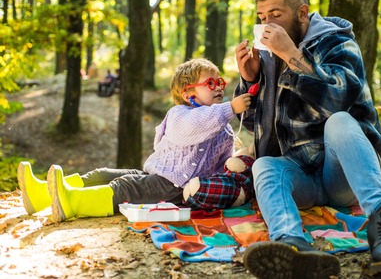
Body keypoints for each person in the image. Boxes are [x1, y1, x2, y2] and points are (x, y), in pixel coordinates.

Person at [234, 0, 381, 278]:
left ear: (302, 12)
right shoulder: (267, 56)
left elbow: (336, 99)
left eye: (276, 14)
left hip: (344, 176)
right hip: (302, 174)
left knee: (339, 121)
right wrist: (251, 81)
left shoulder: (337, 41)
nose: (267, 24)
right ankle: (292, 246)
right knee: (264, 165)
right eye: (262, 17)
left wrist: (291, 55)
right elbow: (256, 126)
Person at [18, 58, 253, 222]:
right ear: (188, 94)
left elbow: (219, 165)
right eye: (210, 83)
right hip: (162, 177)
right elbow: (194, 126)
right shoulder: (180, 114)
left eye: (220, 82)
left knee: (126, 187)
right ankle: (43, 195)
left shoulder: (224, 131)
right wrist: (230, 108)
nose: (219, 87)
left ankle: (73, 202)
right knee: (104, 174)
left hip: (176, 188)